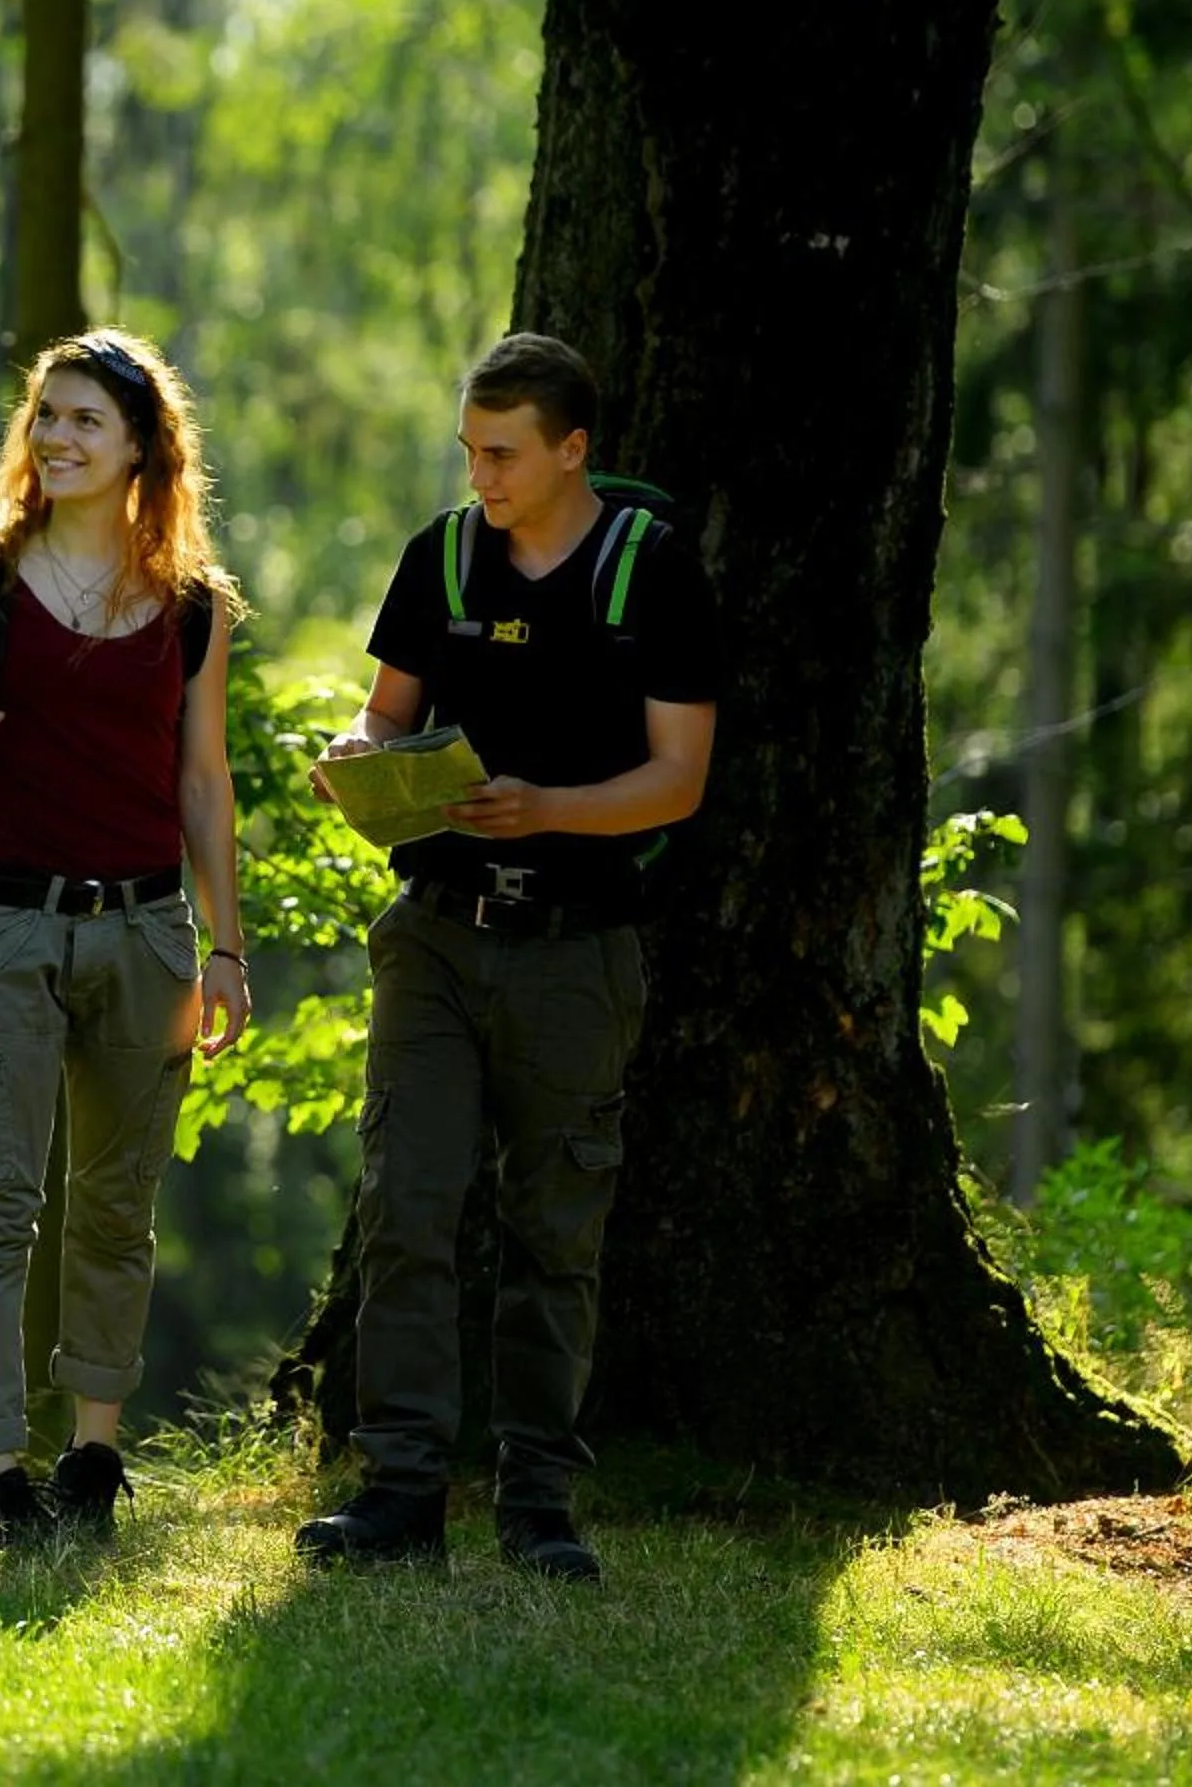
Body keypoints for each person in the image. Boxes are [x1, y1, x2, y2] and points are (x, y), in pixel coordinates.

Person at [294, 332, 717, 1582]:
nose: (479, 472)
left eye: (503, 453)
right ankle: (400, 1494)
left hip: (576, 950)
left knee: (554, 1233)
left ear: (572, 449)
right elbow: (388, 712)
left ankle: (538, 1505)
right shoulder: (440, 554)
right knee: (407, 1204)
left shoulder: (652, 572)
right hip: (432, 936)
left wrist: (547, 809)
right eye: (469, 449)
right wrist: (359, 759)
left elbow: (679, 781)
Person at [0, 329, 250, 1545]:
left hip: (146, 931)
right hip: (5, 926)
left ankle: (93, 1459)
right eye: (46, 415)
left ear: (145, 445)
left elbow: (204, 780)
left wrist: (226, 946)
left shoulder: (193, 605)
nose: (57, 438)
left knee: (115, 1205)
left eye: (87, 419)